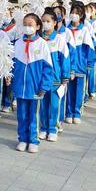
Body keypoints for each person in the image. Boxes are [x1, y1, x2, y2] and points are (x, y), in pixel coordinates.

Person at [8, 13, 54, 153]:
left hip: (35, 88)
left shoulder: (42, 44)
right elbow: (11, 64)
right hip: (20, 87)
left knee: (34, 115)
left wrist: (44, 86)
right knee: (21, 115)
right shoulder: (18, 43)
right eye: (25, 25)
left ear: (37, 26)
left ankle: (33, 140)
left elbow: (48, 68)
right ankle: (22, 139)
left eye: (30, 25)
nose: (27, 27)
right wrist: (9, 78)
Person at [39, 9, 70, 142]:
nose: (46, 24)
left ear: (55, 23)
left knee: (54, 105)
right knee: (42, 105)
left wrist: (65, 77)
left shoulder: (59, 39)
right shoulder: (39, 39)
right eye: (43, 21)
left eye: (48, 21)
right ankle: (43, 128)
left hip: (55, 79)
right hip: (41, 79)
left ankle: (53, 129)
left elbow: (65, 59)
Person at [66, 4, 95, 125]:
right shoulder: (66, 30)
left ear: (82, 15)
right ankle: (68, 113)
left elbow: (90, 49)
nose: (74, 15)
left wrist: (89, 64)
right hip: (68, 66)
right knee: (69, 91)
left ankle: (76, 112)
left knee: (79, 90)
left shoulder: (84, 30)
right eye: (72, 12)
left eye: (77, 13)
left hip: (80, 66)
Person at [54, 4, 73, 132]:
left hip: (61, 70)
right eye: (54, 12)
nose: (56, 15)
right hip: (48, 73)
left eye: (58, 12)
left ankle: (59, 121)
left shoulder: (67, 32)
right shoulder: (45, 33)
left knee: (59, 96)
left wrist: (70, 71)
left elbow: (70, 53)